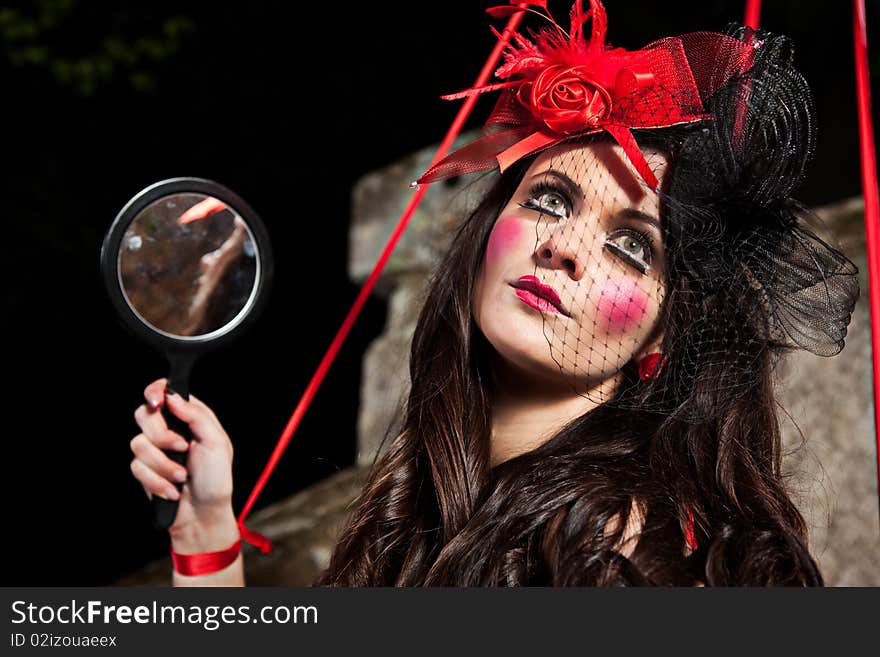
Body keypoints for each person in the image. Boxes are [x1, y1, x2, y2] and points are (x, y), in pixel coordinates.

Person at [128, 0, 859, 586]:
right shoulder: (427, 505)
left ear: (666, 331)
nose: (563, 246)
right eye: (548, 199)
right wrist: (207, 540)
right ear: (488, 232)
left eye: (631, 244)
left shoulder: (615, 546)